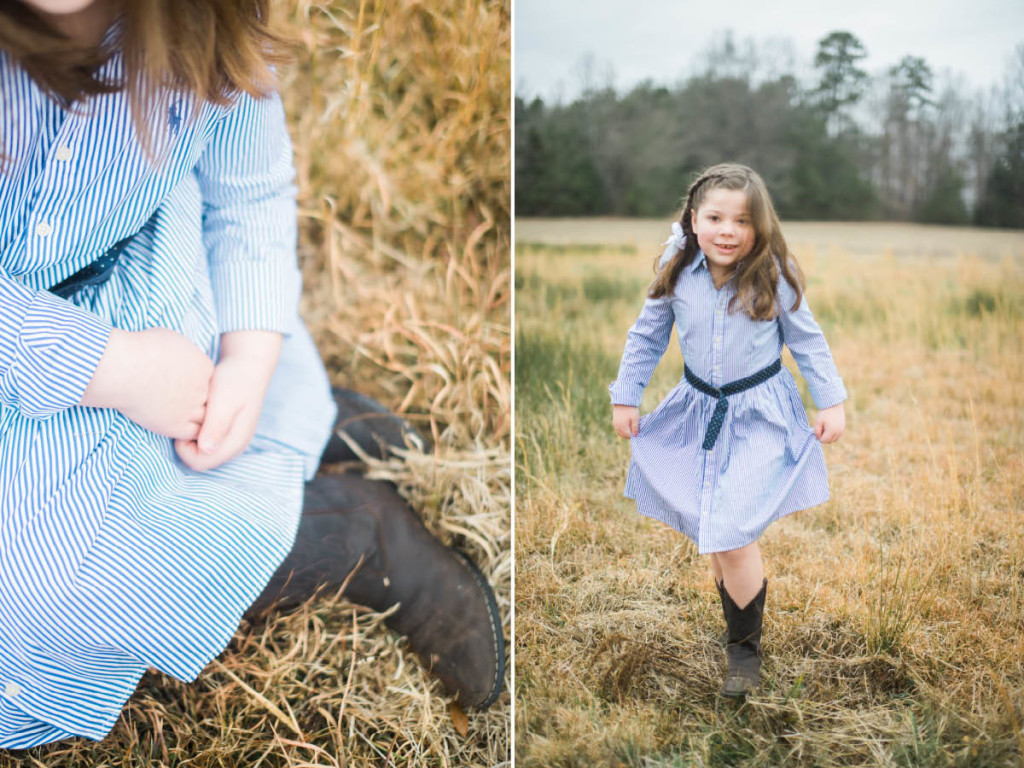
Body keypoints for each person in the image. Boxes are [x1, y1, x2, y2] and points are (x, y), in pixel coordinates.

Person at [0, 0, 503, 750]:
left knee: (51, 572)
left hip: (139, 286)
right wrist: (104, 367)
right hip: (39, 342)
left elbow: (248, 199)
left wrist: (249, 357)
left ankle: (343, 517)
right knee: (37, 599)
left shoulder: (196, 19)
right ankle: (313, 498)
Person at [609, 163, 846, 697]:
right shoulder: (678, 268)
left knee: (734, 531)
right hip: (697, 410)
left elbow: (808, 340)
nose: (727, 231)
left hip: (760, 414)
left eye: (741, 221)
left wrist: (830, 401)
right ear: (694, 220)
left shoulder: (773, 273)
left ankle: (745, 657)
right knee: (715, 527)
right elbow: (647, 335)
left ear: (759, 227)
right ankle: (738, 631)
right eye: (715, 217)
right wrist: (626, 393)